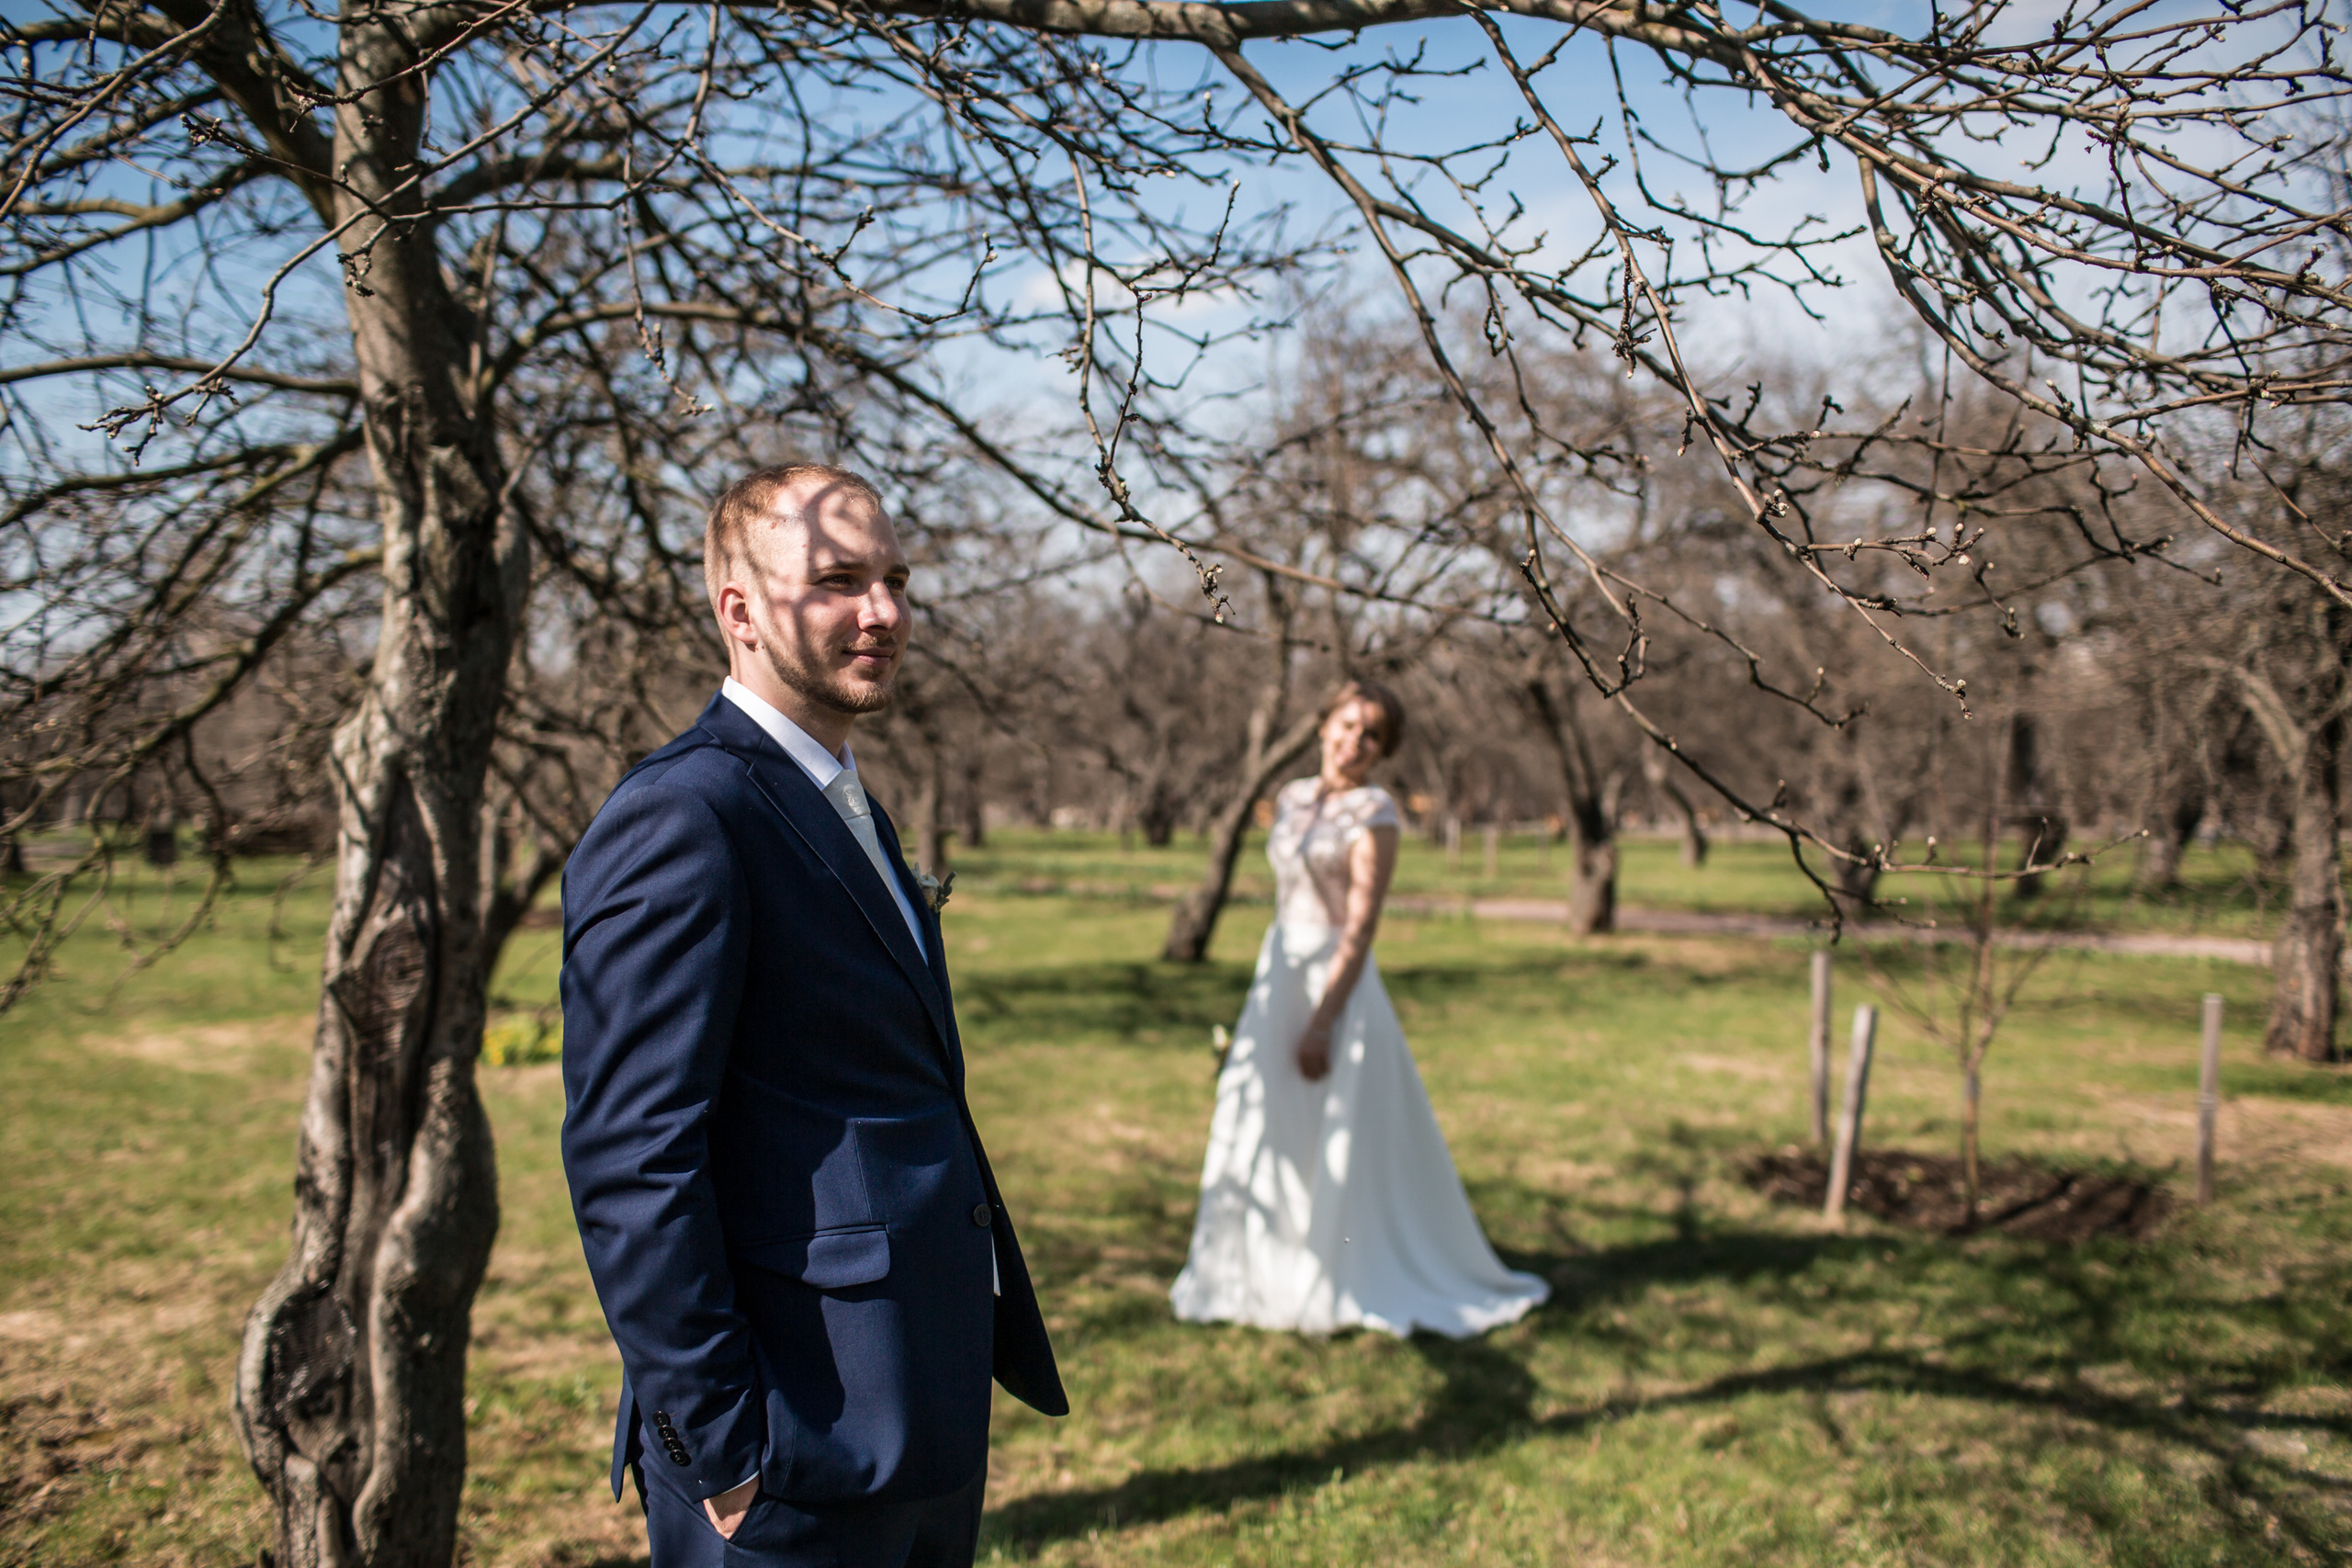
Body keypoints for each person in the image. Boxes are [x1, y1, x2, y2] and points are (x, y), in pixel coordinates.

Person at [560, 464, 1065, 1568]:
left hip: (912, 1400)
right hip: (790, 1442)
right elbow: (629, 1157)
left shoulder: (847, 802)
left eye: (892, 580)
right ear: (739, 609)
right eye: (838, 581)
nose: (882, 612)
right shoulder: (685, 817)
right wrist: (721, 1450)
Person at [1170, 681, 1551, 1337]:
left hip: (1336, 983)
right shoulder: (1290, 797)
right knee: (1269, 1121)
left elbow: (1362, 924)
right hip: (1279, 970)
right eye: (1347, 725)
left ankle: (1340, 1267)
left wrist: (1323, 1020)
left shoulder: (1375, 811)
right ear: (1323, 727)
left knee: (1335, 1127)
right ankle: (1265, 1265)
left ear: (1384, 748)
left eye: (1372, 734)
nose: (1355, 741)